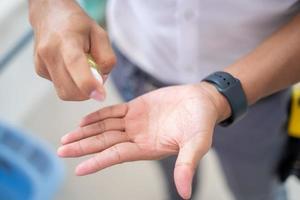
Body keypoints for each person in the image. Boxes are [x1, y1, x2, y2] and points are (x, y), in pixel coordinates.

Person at [28, 0, 300, 199]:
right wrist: (49, 6)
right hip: (136, 65)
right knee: (170, 170)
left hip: (259, 89)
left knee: (256, 189)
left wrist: (216, 94)